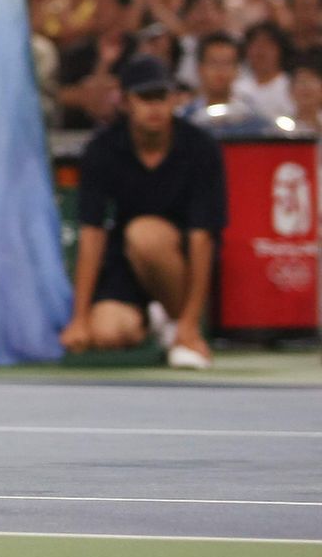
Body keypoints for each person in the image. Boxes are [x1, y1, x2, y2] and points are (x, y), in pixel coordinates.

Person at [61, 54, 224, 369]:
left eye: (162, 97)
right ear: (125, 102)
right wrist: (79, 318)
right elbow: (91, 232)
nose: (155, 108)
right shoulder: (102, 149)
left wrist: (192, 320)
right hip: (125, 264)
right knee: (105, 333)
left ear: (175, 100)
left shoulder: (201, 149)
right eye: (144, 98)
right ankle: (155, 322)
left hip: (181, 268)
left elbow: (203, 238)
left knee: (146, 235)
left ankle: (181, 324)